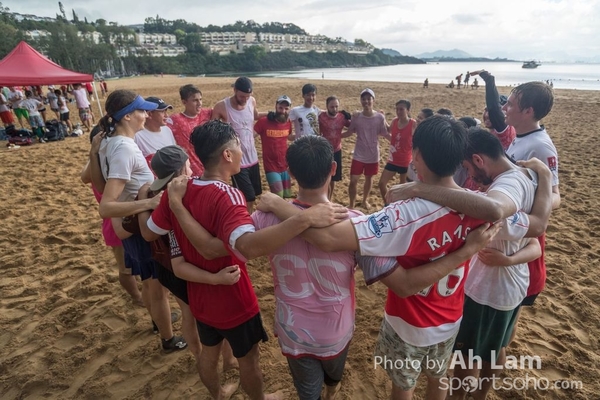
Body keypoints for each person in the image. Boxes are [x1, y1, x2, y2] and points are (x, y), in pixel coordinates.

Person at [256, 116, 542, 400]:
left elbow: (328, 238)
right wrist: (546, 178)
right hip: (451, 318)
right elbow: (536, 225)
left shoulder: (399, 216)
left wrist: (279, 205)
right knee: (439, 377)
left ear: (416, 155)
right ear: (459, 160)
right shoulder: (480, 211)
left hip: (408, 324)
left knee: (403, 386)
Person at [146, 119, 344, 400]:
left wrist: (175, 207)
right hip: (233, 297)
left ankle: (216, 395)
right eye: (238, 146)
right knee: (248, 359)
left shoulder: (178, 190)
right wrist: (303, 218)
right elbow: (246, 247)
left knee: (207, 353)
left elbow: (150, 231)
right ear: (227, 155)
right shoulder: (229, 194)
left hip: (199, 296)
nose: (242, 152)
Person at [384, 128, 553, 400]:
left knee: (465, 362)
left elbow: (494, 210)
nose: (472, 180)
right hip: (509, 289)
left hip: (488, 293)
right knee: (492, 349)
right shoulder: (525, 175)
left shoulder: (500, 194)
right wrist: (544, 176)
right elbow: (538, 225)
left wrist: (419, 188)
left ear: (477, 160)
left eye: (467, 168)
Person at [252, 135, 362, 400]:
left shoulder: (264, 217)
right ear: (334, 169)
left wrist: (278, 204)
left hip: (293, 331)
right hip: (337, 329)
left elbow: (238, 246)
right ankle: (332, 392)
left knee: (306, 391)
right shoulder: (357, 222)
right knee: (334, 374)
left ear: (290, 172)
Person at [94, 89, 186, 353]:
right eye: (141, 111)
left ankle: (160, 324)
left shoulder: (110, 142)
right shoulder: (123, 147)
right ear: (126, 117)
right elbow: (106, 206)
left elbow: (100, 184)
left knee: (150, 283)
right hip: (138, 225)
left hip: (130, 225)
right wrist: (149, 202)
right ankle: (168, 339)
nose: (146, 115)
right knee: (157, 288)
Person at [136, 145, 237, 382]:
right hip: (188, 261)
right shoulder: (184, 191)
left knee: (187, 313)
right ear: (182, 168)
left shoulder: (149, 191)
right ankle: (228, 359)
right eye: (188, 163)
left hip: (165, 265)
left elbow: (147, 234)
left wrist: (144, 201)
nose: (192, 167)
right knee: (216, 312)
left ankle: (199, 356)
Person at [504, 80, 560, 348]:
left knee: (513, 306)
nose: (505, 107)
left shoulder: (542, 146)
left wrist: (525, 207)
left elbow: (557, 196)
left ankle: (497, 355)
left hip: (525, 232)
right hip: (510, 228)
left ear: (528, 111)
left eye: (511, 104)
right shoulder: (519, 136)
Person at [81, 126, 144, 307]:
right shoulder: (102, 165)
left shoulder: (101, 162)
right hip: (115, 223)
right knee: (125, 269)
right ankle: (136, 297)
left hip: (121, 221)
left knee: (132, 263)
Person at [212, 77, 262, 213]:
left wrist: (273, 115)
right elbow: (213, 131)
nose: (245, 99)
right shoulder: (222, 106)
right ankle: (246, 225)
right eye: (242, 96)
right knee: (248, 197)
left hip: (253, 157)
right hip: (237, 161)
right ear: (234, 90)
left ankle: (248, 219)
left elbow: (256, 115)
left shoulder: (252, 101)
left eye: (248, 96)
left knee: (256, 194)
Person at [343, 88, 390, 209]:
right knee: (353, 180)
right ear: (361, 101)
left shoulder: (380, 117)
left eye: (369, 99)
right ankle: (352, 205)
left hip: (373, 155)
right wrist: (334, 136)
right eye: (363, 99)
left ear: (373, 100)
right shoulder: (357, 116)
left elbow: (385, 134)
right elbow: (349, 132)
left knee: (369, 179)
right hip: (358, 154)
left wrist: (399, 141)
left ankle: (364, 200)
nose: (366, 101)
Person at [167, 84, 213, 177]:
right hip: (189, 172)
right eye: (195, 100)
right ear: (184, 102)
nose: (199, 103)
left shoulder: (207, 114)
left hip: (209, 169)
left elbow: (223, 108)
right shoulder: (175, 120)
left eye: (200, 99)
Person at [254, 95, 293, 198]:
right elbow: (250, 136)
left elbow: (289, 137)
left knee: (287, 195)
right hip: (271, 166)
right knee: (278, 195)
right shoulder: (264, 122)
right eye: (280, 107)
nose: (283, 111)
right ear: (276, 106)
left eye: (286, 108)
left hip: (285, 165)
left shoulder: (288, 122)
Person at [379, 99, 416, 201]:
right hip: (393, 160)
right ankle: (387, 204)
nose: (399, 112)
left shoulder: (413, 124)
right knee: (382, 184)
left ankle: (399, 208)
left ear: (408, 110)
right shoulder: (395, 121)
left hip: (405, 162)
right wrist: (383, 118)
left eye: (401, 109)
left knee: (402, 189)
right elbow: (389, 130)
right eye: (397, 109)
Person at [318, 96, 351, 199]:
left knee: (333, 177)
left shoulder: (342, 117)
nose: (334, 109)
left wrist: (350, 117)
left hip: (337, 150)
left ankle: (329, 198)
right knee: (324, 177)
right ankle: (323, 197)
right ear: (327, 106)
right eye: (332, 107)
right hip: (324, 150)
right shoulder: (321, 117)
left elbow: (353, 126)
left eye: (336, 106)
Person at [134, 97, 176, 164]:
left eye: (166, 111)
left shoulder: (167, 130)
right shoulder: (136, 135)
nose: (166, 115)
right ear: (150, 114)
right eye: (162, 111)